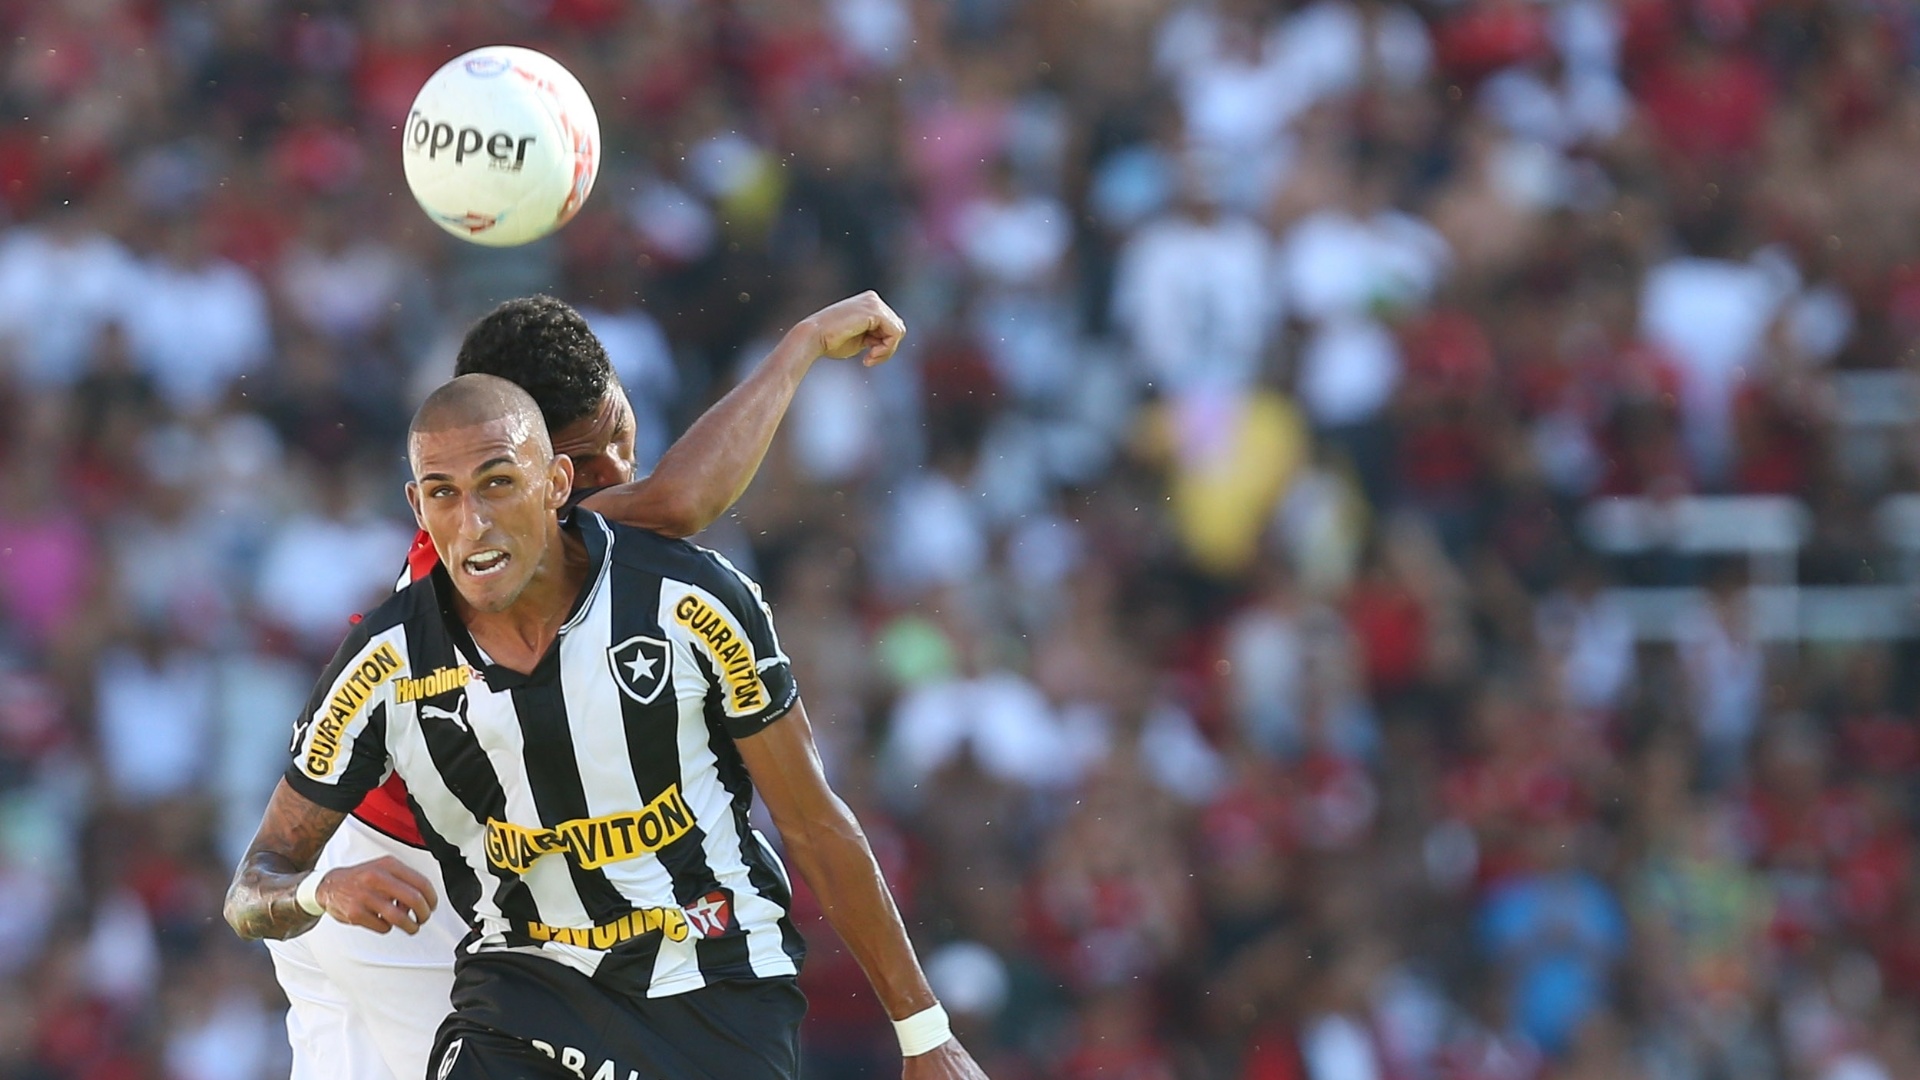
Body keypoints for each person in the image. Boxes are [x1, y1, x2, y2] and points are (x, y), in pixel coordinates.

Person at [227, 374, 988, 1079]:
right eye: (443, 494)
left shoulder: (688, 603)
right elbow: (252, 886)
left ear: (556, 483)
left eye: (498, 483)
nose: (474, 522)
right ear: (417, 507)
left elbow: (814, 823)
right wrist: (319, 891)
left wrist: (924, 1031)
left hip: (711, 984)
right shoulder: (384, 664)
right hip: (524, 994)